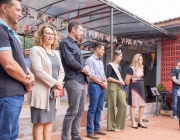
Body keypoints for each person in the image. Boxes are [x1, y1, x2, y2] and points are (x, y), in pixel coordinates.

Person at [0, 0, 34, 139]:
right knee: (5, 135)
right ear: (4, 8)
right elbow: (8, 64)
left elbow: (16, 60)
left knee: (11, 135)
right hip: (7, 94)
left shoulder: (9, 32)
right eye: (18, 10)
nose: (20, 14)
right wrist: (27, 81)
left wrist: (29, 72)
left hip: (14, 94)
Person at [28, 25, 65, 140]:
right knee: (39, 122)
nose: (51, 36)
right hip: (40, 93)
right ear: (41, 35)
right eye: (47, 33)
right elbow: (38, 71)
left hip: (54, 93)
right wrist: (55, 84)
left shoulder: (56, 53)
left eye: (52, 34)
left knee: (49, 121)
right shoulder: (36, 50)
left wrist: (57, 86)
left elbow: (62, 71)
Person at [59, 21, 90, 140]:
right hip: (72, 79)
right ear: (73, 30)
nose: (82, 33)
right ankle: (65, 137)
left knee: (80, 111)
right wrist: (83, 68)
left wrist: (85, 67)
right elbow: (69, 61)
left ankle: (75, 136)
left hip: (81, 81)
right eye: (80, 30)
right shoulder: (65, 43)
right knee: (72, 111)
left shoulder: (76, 45)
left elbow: (80, 62)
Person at [86, 42, 107, 139]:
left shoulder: (100, 61)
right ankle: (90, 131)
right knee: (92, 109)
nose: (104, 51)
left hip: (101, 86)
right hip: (94, 86)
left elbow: (103, 75)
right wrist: (101, 83)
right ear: (97, 49)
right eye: (102, 49)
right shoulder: (90, 60)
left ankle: (97, 128)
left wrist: (105, 82)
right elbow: (91, 75)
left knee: (99, 108)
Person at [125, 54, 148, 129]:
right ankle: (133, 122)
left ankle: (140, 121)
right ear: (137, 60)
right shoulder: (131, 68)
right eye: (141, 59)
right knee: (133, 105)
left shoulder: (141, 68)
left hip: (141, 89)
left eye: (142, 59)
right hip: (134, 89)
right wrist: (131, 87)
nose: (142, 60)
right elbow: (127, 80)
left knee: (142, 105)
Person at [106, 50, 127, 132]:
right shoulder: (110, 65)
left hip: (118, 86)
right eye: (120, 56)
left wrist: (121, 82)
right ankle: (112, 126)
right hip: (112, 86)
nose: (121, 58)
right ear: (116, 56)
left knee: (123, 104)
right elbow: (108, 77)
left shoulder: (119, 66)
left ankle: (118, 124)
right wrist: (118, 81)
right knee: (112, 107)